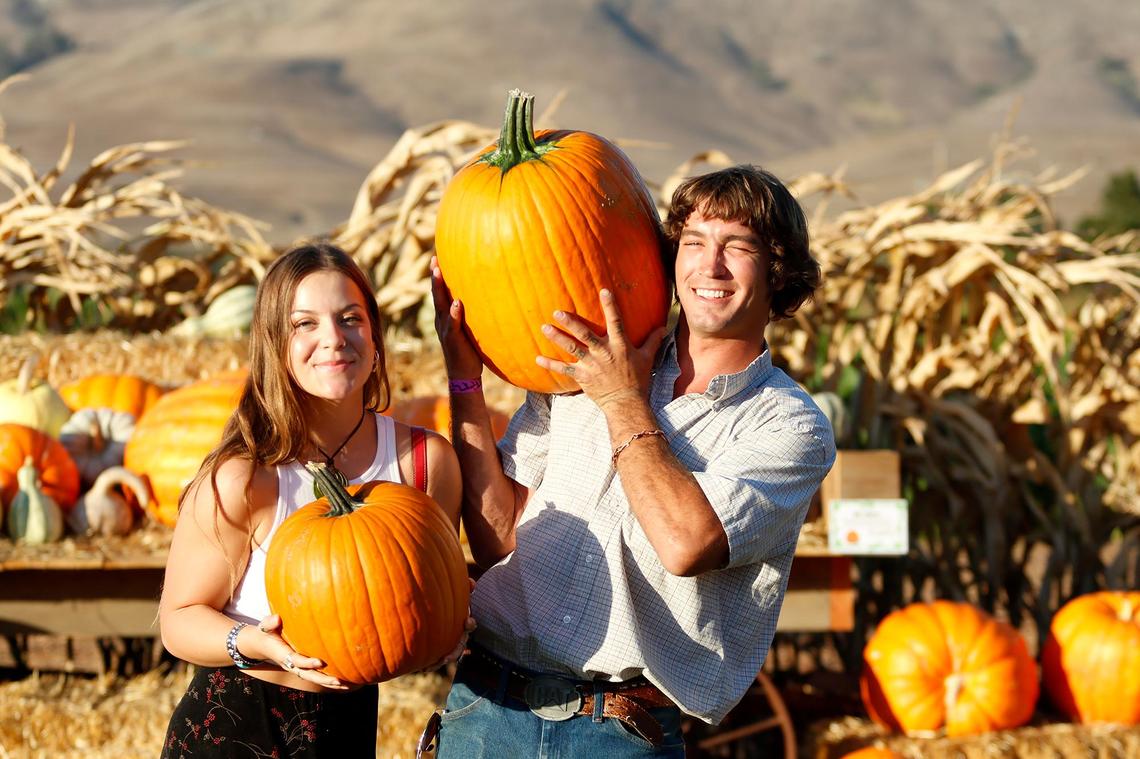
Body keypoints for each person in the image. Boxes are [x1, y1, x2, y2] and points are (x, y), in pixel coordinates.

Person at [428, 164, 836, 757]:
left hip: (618, 732)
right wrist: (463, 381)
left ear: (779, 272)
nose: (710, 266)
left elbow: (684, 542)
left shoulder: (788, 425)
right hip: (489, 708)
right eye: (693, 243)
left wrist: (622, 399)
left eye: (737, 247)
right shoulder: (584, 362)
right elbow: (499, 539)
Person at [158, 242, 463, 758]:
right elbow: (179, 618)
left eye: (350, 318)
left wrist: (452, 618)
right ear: (276, 345)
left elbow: (418, 599)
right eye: (305, 324)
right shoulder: (246, 475)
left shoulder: (424, 463)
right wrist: (254, 644)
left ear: (376, 339)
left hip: (347, 731)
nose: (334, 339)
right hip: (236, 725)